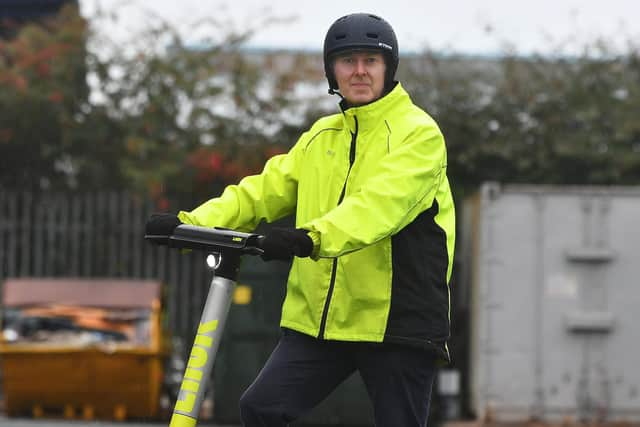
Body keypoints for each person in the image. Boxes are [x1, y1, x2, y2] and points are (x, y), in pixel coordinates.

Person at [146, 12, 455, 427]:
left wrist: (309, 237)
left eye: (370, 61)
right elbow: (263, 191)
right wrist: (189, 225)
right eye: (348, 61)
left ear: (389, 68)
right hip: (321, 321)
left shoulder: (419, 135)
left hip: (395, 320)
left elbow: (379, 207)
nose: (359, 71)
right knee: (261, 409)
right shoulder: (319, 138)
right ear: (332, 71)